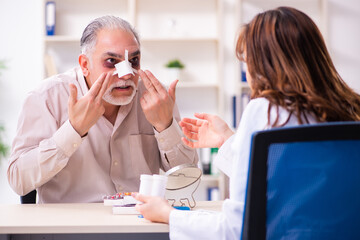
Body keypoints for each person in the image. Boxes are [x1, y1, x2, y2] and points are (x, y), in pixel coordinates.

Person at [133, 6, 360, 240]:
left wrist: (168, 214)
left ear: (261, 66)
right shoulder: (351, 109)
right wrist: (228, 140)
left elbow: (236, 229)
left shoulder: (265, 110)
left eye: (246, 62)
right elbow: (291, 176)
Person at [7, 16, 198, 203]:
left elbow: (185, 177)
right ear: (84, 65)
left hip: (139, 224)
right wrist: (73, 131)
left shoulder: (157, 98)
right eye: (112, 62)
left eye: (134, 60)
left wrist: (165, 126)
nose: (126, 74)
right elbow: (18, 180)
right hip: (70, 228)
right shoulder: (46, 97)